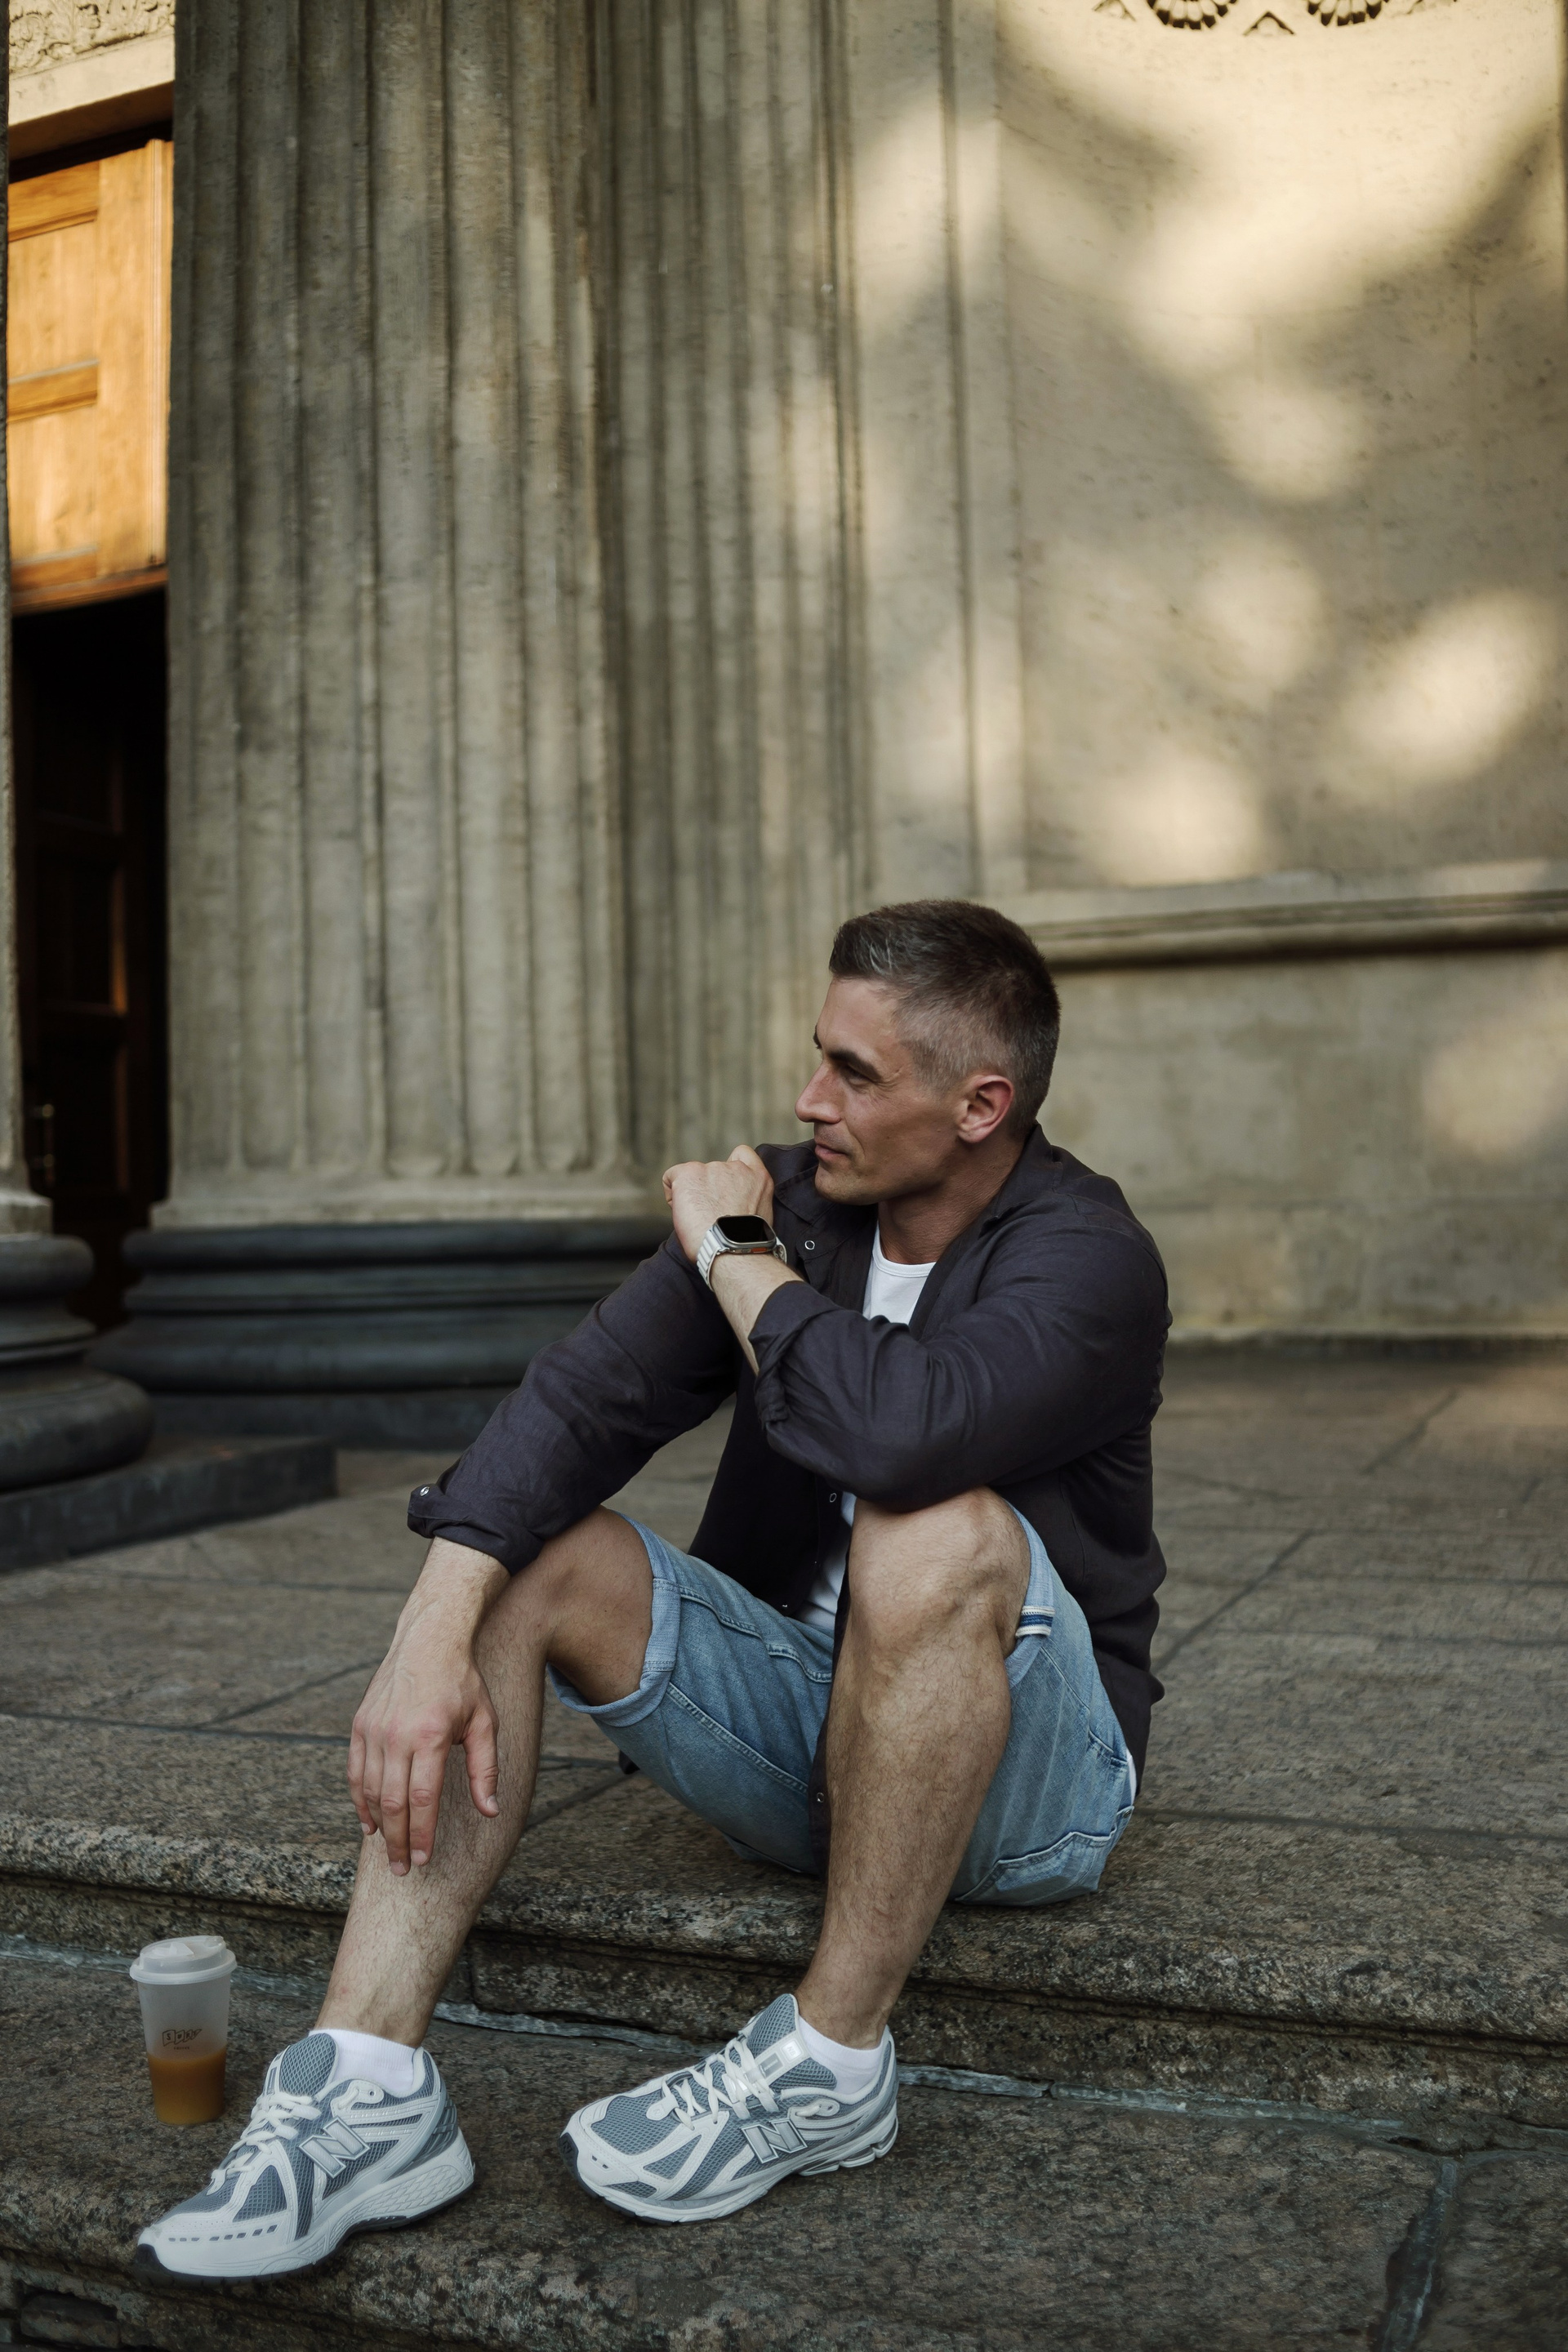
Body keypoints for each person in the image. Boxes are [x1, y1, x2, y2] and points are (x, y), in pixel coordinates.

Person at [136, 898, 1169, 2278]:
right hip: (817, 1747)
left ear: (981, 1105)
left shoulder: (1088, 1256)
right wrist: (428, 1634)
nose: (809, 1102)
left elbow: (901, 1437)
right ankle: (368, 2088)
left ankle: (831, 2064)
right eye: (817, 1056)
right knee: (533, 1551)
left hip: (1032, 1791)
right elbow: (579, 1404)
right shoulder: (800, 1208)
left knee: (930, 1527)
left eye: (854, 1073)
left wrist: (733, 1253)